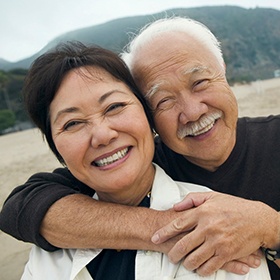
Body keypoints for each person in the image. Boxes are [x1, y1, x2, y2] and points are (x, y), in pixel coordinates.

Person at [0, 17, 279, 278]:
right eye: (163, 100)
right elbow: (23, 206)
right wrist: (169, 229)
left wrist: (270, 226)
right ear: (149, 117)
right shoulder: (129, 162)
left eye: (200, 82)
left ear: (223, 71)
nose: (192, 112)